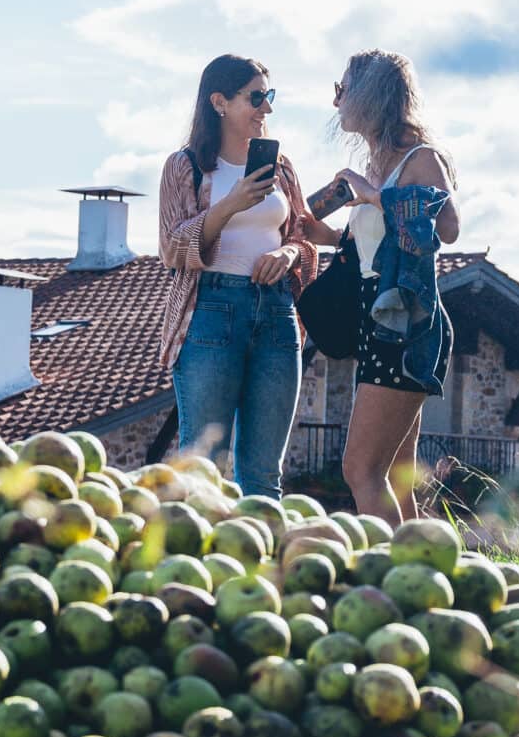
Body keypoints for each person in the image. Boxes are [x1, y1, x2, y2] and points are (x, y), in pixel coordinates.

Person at [156, 55, 321, 498]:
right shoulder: (185, 166)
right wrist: (231, 203)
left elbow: (304, 238)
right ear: (219, 102)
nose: (266, 108)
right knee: (203, 467)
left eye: (270, 96)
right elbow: (172, 249)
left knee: (265, 472)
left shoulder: (281, 167)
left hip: (277, 312)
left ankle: (264, 564)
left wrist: (288, 254)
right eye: (256, 97)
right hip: (209, 311)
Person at [315, 49, 461, 524]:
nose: (336, 101)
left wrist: (370, 192)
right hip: (383, 325)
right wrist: (326, 236)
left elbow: (448, 227)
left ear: (369, 95)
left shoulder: (421, 158)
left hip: (406, 328)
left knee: (360, 469)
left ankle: (389, 580)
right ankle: (430, 576)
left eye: (342, 89)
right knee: (396, 476)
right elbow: (382, 245)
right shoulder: (379, 161)